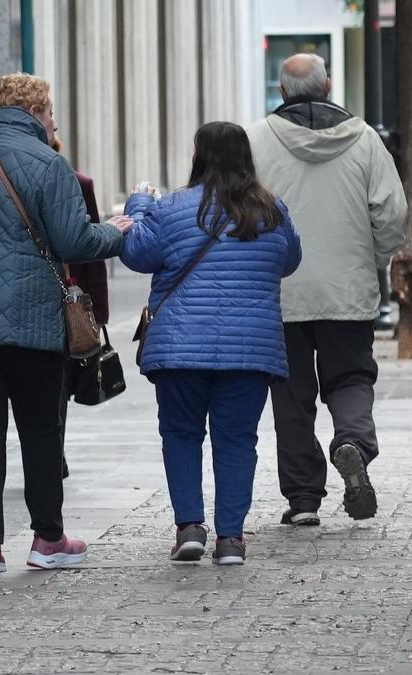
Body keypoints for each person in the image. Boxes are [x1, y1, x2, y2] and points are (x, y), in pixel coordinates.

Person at [0, 73, 131, 574]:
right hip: (31, 316)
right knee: (40, 428)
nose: (54, 122)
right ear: (36, 112)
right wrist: (116, 232)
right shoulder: (49, 163)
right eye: (51, 113)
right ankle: (47, 539)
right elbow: (75, 242)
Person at [122, 121, 300, 565]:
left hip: (181, 349)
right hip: (250, 349)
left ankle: (189, 528)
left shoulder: (173, 208)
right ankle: (231, 539)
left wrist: (140, 204)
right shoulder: (272, 210)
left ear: (199, 155)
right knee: (238, 440)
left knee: (181, 434)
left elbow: (137, 254)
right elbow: (290, 260)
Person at [246, 53, 406, 526]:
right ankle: (353, 440)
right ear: (329, 85)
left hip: (279, 294)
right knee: (352, 378)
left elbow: (240, 211)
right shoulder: (365, 141)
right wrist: (374, 260)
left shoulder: (255, 140)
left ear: (281, 92)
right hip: (348, 291)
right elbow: (391, 215)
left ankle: (303, 499)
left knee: (291, 395)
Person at [49, 133, 110, 480]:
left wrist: (98, 313)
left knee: (60, 383)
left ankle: (54, 450)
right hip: (35, 298)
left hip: (70, 301)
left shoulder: (80, 184)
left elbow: (93, 251)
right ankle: (51, 451)